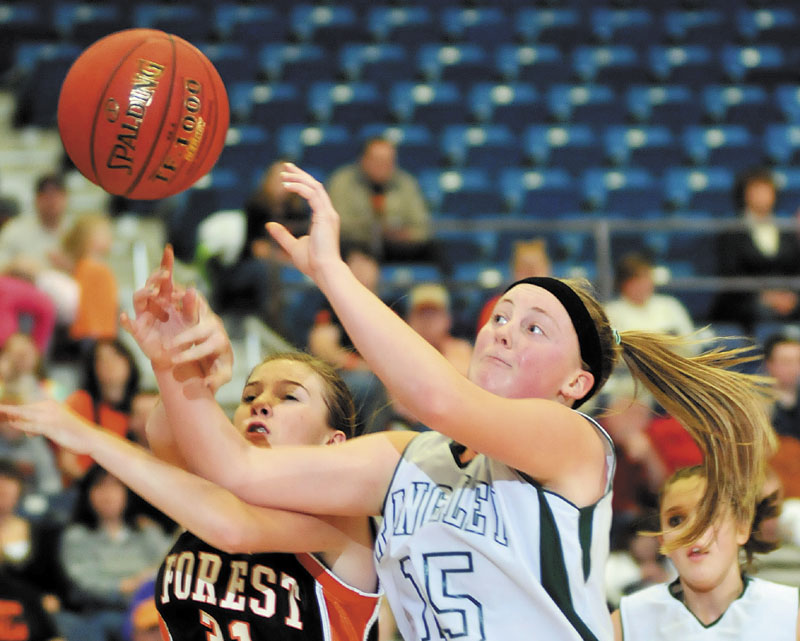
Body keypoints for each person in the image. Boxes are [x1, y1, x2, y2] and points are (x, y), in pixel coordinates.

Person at [127, 164, 774, 640]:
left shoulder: (573, 442)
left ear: (574, 384)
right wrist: (171, 365)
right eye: (503, 313)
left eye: (534, 328)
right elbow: (236, 470)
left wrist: (330, 270)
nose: (503, 328)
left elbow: (433, 393)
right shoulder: (400, 458)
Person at [0, 270, 381, 641]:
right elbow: (164, 437)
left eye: (289, 396)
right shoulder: (218, 492)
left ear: (333, 443)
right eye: (250, 395)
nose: (261, 404)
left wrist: (91, 437)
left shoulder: (342, 519)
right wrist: (177, 362)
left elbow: (233, 529)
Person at [611, 465, 800, 640]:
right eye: (676, 520)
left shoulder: (789, 613)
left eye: (709, 515)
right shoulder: (626, 622)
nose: (693, 532)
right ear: (663, 541)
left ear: (742, 528)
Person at [58, 465, 171, 641]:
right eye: (100, 486)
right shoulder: (77, 536)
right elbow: (85, 583)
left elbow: (171, 564)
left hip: (151, 606)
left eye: (115, 486)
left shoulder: (145, 530)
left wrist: (143, 585)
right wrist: (125, 586)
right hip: (103, 612)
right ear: (88, 493)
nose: (108, 494)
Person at [711, 167, 800, 331]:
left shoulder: (787, 230)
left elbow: (794, 268)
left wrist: (789, 296)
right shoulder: (731, 232)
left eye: (767, 190)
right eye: (756, 190)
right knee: (762, 312)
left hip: (787, 296)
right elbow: (731, 274)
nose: (763, 196)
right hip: (746, 301)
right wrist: (766, 297)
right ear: (744, 194)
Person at [327, 137, 433, 263]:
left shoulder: (406, 183)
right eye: (377, 160)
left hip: (395, 246)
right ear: (363, 160)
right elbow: (337, 223)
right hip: (354, 244)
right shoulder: (342, 181)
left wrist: (405, 234)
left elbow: (422, 225)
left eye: (388, 161)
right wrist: (373, 230)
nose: (383, 166)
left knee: (434, 249)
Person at [58, 339, 140, 484]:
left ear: (128, 361)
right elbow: (67, 463)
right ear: (93, 368)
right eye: (101, 359)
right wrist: (100, 488)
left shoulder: (141, 405)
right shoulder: (80, 402)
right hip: (86, 488)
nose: (110, 364)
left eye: (115, 356)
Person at [476, 237, 552, 332]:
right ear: (513, 271)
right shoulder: (495, 308)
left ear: (548, 269)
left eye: (536, 268)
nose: (532, 274)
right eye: (525, 269)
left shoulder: (562, 309)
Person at [763, 332, 800, 441]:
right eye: (786, 362)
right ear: (769, 364)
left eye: (798, 361)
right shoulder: (756, 402)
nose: (793, 368)